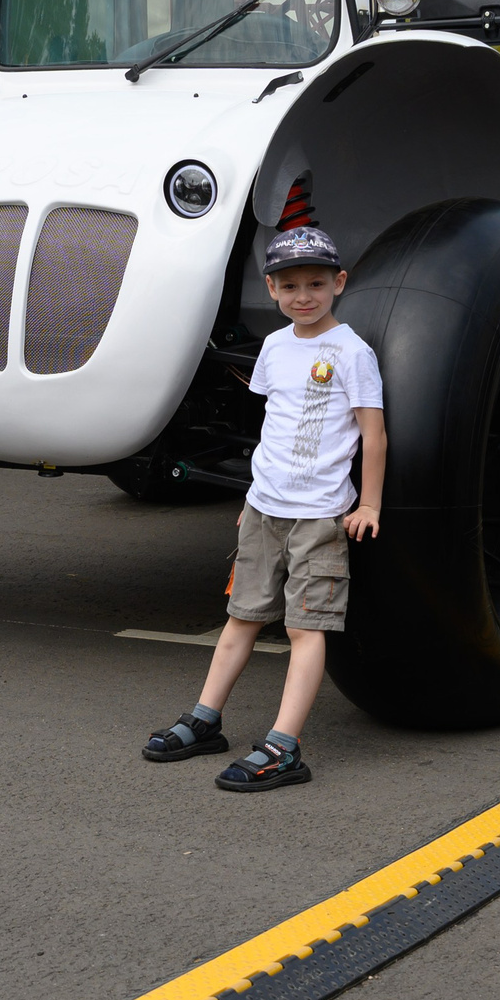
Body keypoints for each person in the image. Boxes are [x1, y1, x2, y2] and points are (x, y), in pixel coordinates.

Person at [140, 226, 385, 792]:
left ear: (338, 284)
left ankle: (283, 746)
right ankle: (205, 718)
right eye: (291, 285)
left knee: (305, 629)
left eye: (317, 284)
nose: (304, 295)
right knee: (242, 618)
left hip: (320, 516)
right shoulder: (274, 347)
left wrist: (369, 501)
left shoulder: (352, 352)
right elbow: (271, 427)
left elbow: (374, 434)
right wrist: (250, 498)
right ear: (272, 289)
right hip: (264, 509)